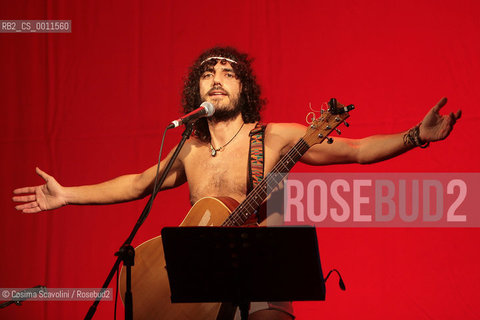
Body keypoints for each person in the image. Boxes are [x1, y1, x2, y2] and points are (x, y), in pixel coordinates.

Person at [12, 47, 461, 320]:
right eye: (208, 73)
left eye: (229, 73)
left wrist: (415, 137)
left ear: (244, 88)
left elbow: (357, 150)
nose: (217, 79)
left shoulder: (274, 136)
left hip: (262, 272)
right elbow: (136, 184)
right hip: (201, 287)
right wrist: (66, 194)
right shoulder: (188, 147)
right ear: (197, 90)